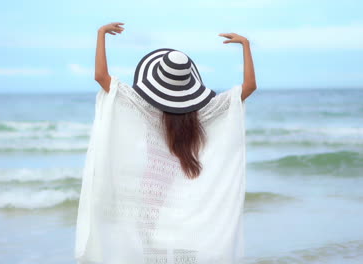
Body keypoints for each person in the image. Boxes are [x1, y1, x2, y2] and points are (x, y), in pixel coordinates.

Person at [75, 22, 256, 264]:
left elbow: (101, 77)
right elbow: (249, 88)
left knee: (148, 243)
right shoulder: (204, 113)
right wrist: (246, 45)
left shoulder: (144, 107)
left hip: (151, 182)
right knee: (180, 240)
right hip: (187, 184)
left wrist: (100, 35)